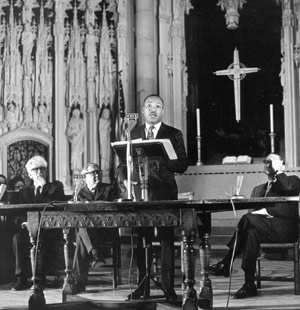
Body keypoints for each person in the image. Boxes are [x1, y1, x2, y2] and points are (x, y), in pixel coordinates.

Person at [209, 153, 300, 299]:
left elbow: (290, 188)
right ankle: (249, 285)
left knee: (247, 219)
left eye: (272, 161)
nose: (268, 164)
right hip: (264, 229)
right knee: (250, 232)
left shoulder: (292, 180)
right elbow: (252, 214)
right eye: (266, 161)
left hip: (285, 229)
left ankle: (227, 262)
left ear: (281, 164)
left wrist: (279, 171)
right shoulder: (259, 189)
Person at [124, 94, 188, 301]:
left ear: (163, 111)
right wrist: (124, 180)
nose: (153, 109)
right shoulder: (133, 133)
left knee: (166, 240)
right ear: (143, 111)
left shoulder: (173, 133)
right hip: (140, 194)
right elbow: (124, 162)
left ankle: (168, 288)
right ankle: (143, 286)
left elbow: (182, 164)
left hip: (165, 193)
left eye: (158, 106)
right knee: (142, 239)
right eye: (149, 106)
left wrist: (160, 161)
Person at [11, 155, 66, 290]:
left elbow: (56, 205)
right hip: (28, 228)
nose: (39, 172)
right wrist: (25, 224)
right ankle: (21, 279)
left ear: (46, 171)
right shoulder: (24, 192)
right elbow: (17, 214)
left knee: (41, 239)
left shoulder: (55, 187)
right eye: (35, 169)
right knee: (17, 238)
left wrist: (43, 186)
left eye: (42, 169)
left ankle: (39, 279)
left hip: (48, 229)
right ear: (29, 174)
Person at [73, 162, 119, 293]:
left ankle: (79, 282)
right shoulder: (80, 193)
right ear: (85, 176)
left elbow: (114, 207)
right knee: (82, 228)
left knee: (81, 236)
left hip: (105, 229)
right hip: (88, 231)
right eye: (92, 173)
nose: (96, 175)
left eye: (98, 172)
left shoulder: (109, 188)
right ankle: (96, 254)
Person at [66, 107, 85, 174]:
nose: (76, 114)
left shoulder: (81, 121)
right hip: (74, 141)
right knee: (74, 154)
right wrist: (73, 132)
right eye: (75, 113)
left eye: (78, 113)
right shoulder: (71, 121)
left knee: (79, 155)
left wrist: (79, 131)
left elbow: (83, 131)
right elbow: (68, 132)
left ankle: (78, 169)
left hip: (79, 140)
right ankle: (74, 169)